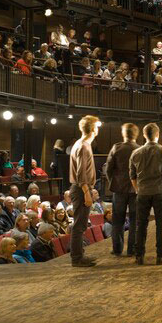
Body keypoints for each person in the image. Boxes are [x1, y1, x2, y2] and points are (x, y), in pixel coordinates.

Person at [130, 122, 162, 265]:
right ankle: (161, 256)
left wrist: (138, 189)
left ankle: (139, 255)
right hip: (160, 192)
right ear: (157, 134)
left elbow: (132, 176)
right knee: (161, 225)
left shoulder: (136, 153)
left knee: (141, 225)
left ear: (144, 135)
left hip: (142, 193)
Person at [68, 114, 100, 267]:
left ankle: (79, 255)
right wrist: (87, 192)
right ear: (93, 129)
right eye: (97, 126)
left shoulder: (81, 144)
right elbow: (81, 174)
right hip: (81, 189)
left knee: (80, 225)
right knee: (79, 226)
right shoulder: (83, 146)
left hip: (81, 188)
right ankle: (77, 258)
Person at [103, 122, 139, 257]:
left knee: (118, 220)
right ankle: (132, 249)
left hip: (119, 189)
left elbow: (108, 168)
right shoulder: (140, 149)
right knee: (135, 221)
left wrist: (113, 181)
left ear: (123, 134)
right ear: (136, 134)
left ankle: (117, 249)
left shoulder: (116, 148)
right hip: (136, 190)